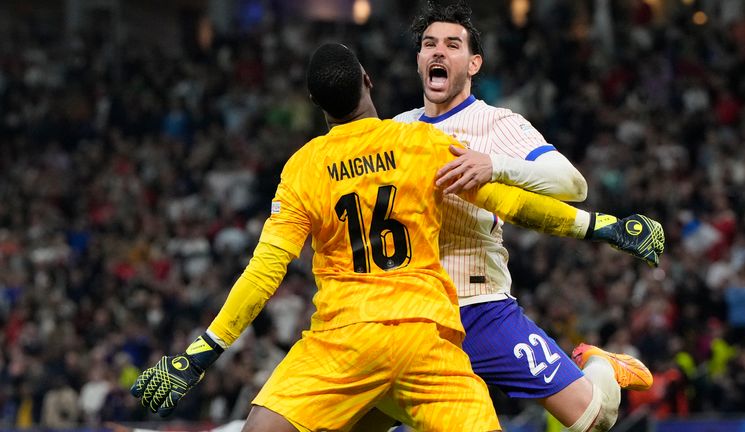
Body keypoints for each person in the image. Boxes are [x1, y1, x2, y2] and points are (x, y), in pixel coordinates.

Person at [129, 43, 663, 431]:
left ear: (317, 104)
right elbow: (510, 203)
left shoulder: (303, 168)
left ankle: (598, 367)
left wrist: (199, 353)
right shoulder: (418, 142)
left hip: (350, 342)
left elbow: (264, 272)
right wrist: (603, 226)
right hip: (425, 334)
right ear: (368, 79)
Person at [364, 2, 656, 431]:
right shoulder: (395, 130)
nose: (438, 52)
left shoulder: (497, 123)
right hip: (410, 316)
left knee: (593, 419)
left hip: (479, 308)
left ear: (474, 63)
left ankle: (601, 367)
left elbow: (573, 184)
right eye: (429, 45)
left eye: (452, 44)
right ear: (419, 61)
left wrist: (495, 165)